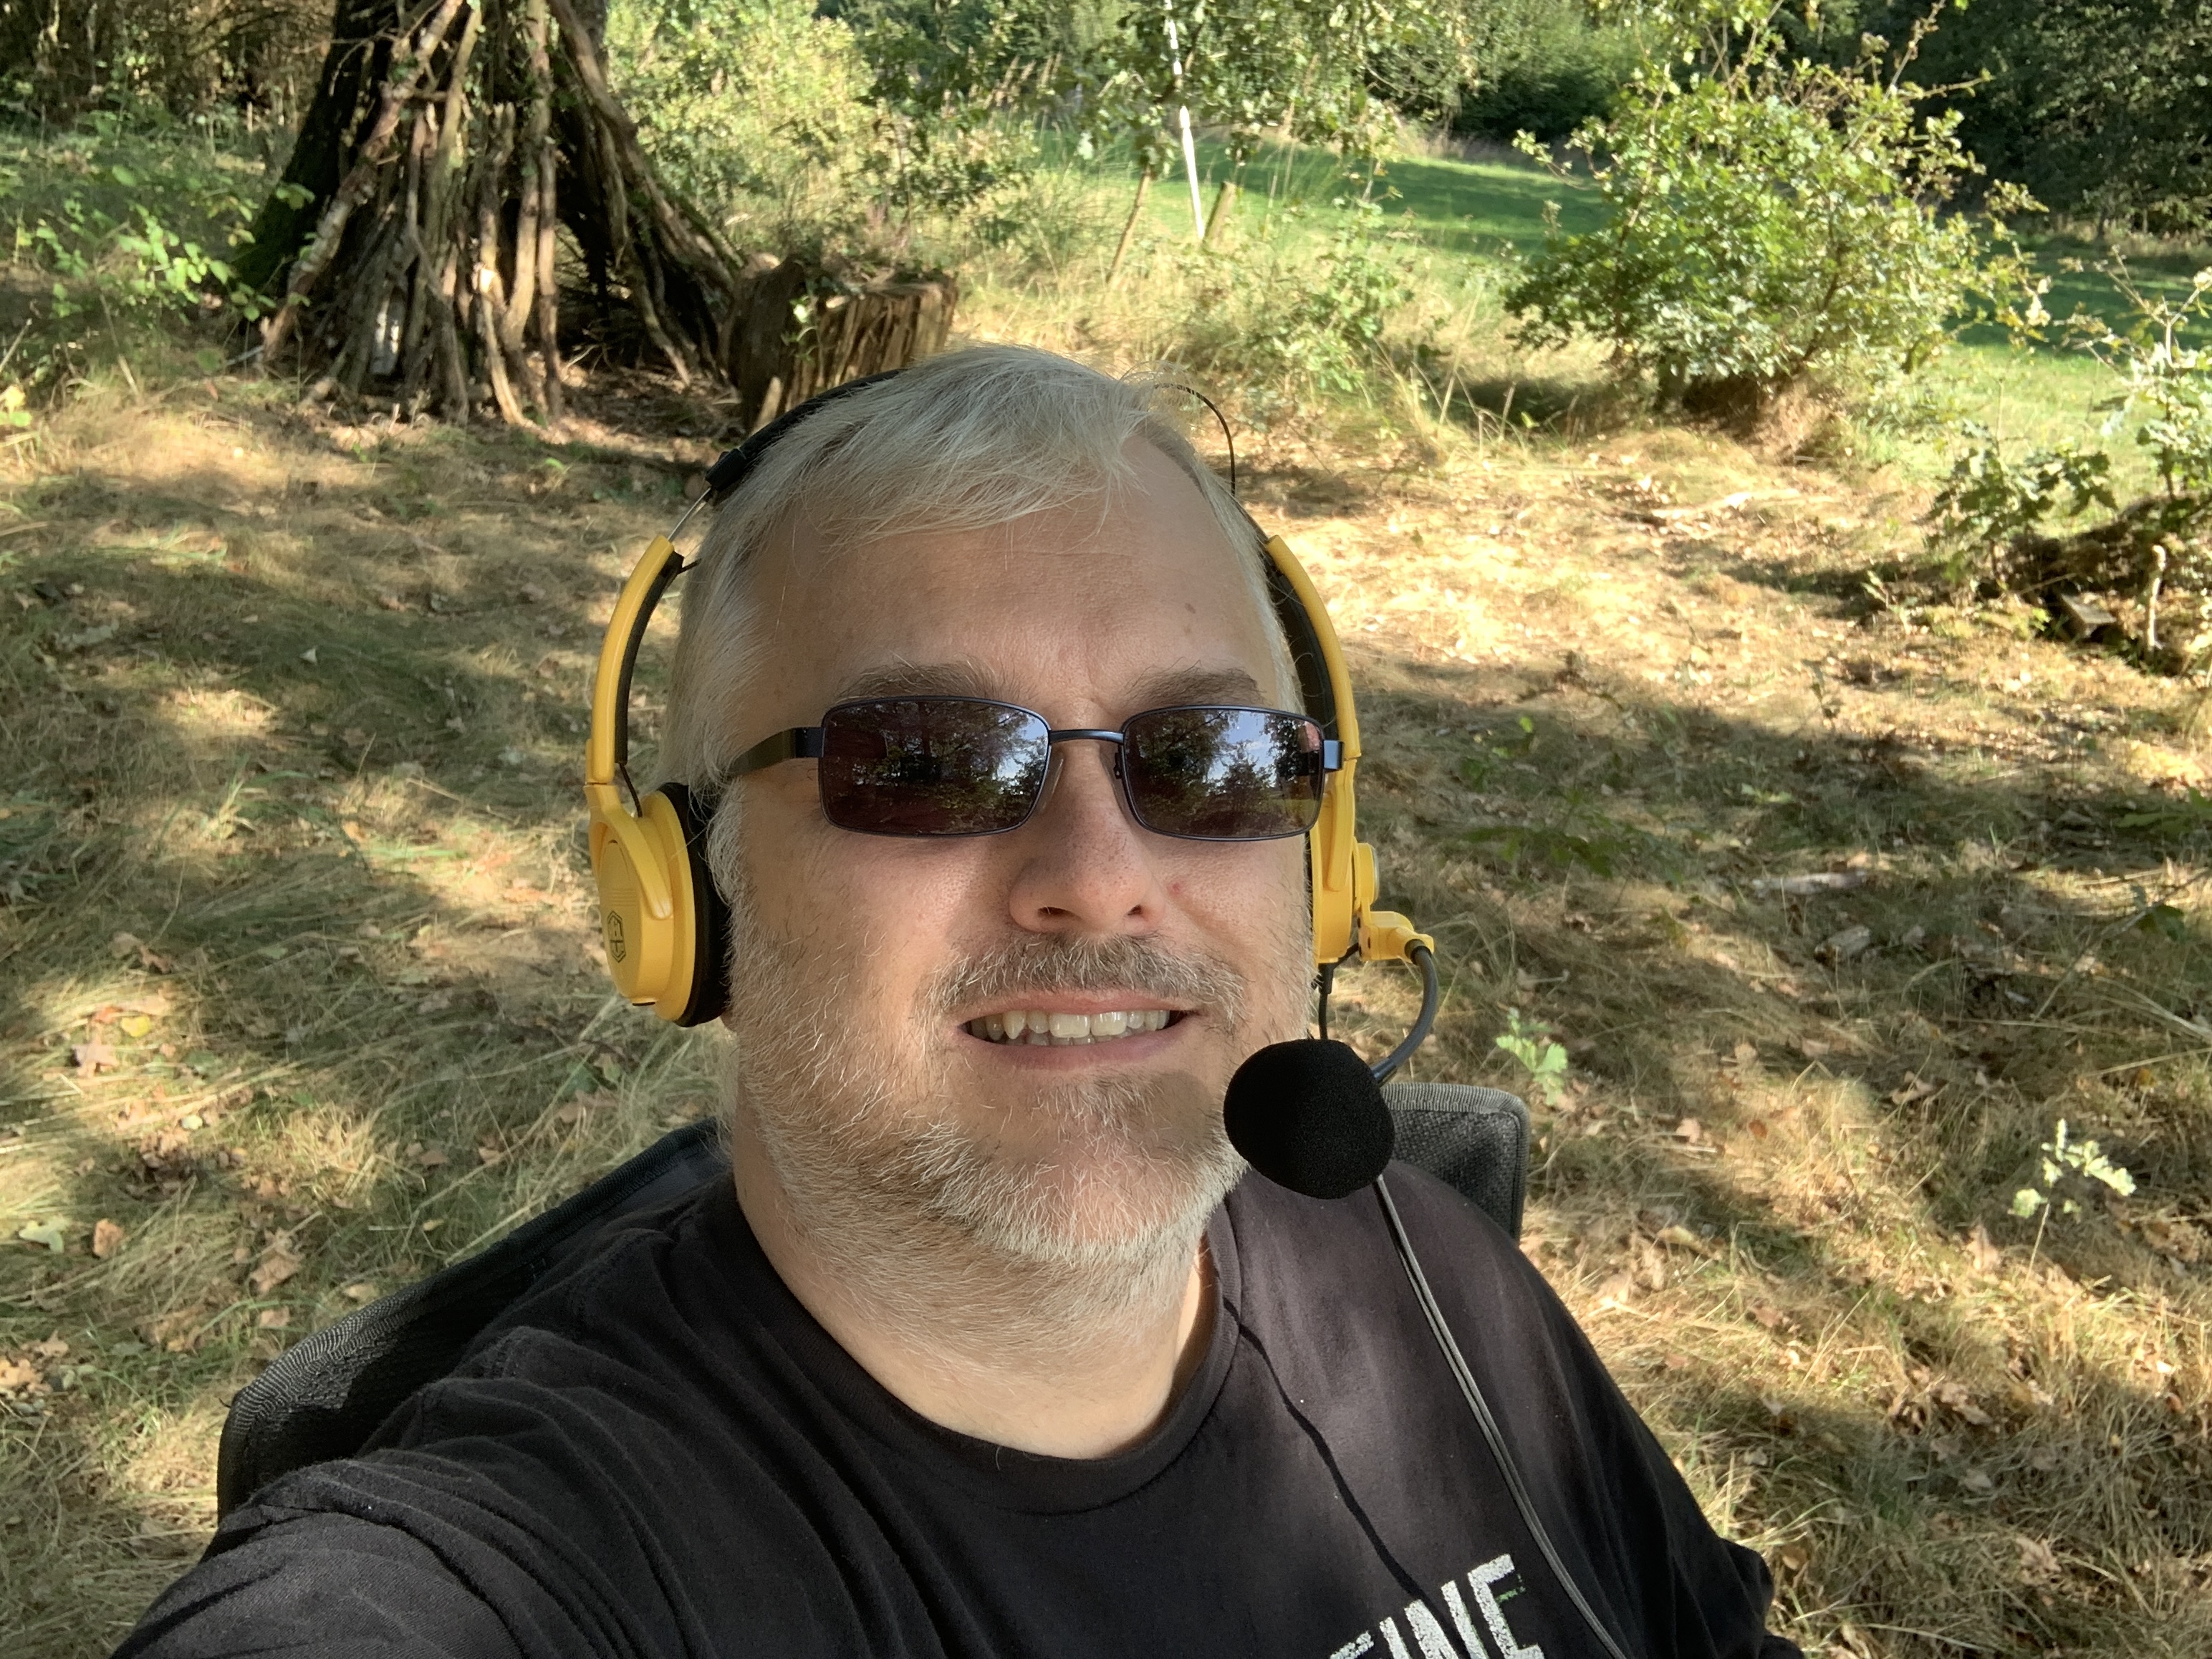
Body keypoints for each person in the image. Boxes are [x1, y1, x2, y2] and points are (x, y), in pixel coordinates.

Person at [118, 347, 1798, 1658]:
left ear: (1324, 863)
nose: (1096, 874)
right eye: (923, 761)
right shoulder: (529, 1560)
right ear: (685, 897)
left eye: (1208, 760)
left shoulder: (1426, 1275)